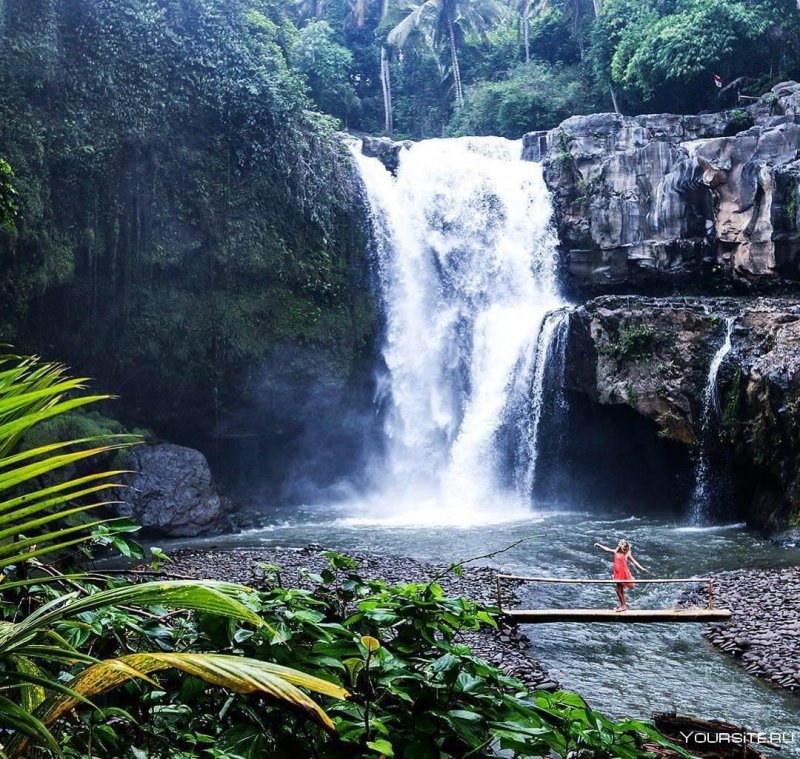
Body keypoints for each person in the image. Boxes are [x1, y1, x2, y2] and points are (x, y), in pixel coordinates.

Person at [593, 539, 649, 612]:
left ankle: (623, 606)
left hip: (623, 573)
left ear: (623, 546)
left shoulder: (626, 554)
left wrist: (642, 569)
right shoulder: (616, 551)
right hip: (617, 572)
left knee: (618, 590)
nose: (619, 544)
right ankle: (623, 605)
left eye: (620, 543)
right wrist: (600, 546)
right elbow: (607, 549)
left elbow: (634, 561)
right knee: (620, 590)